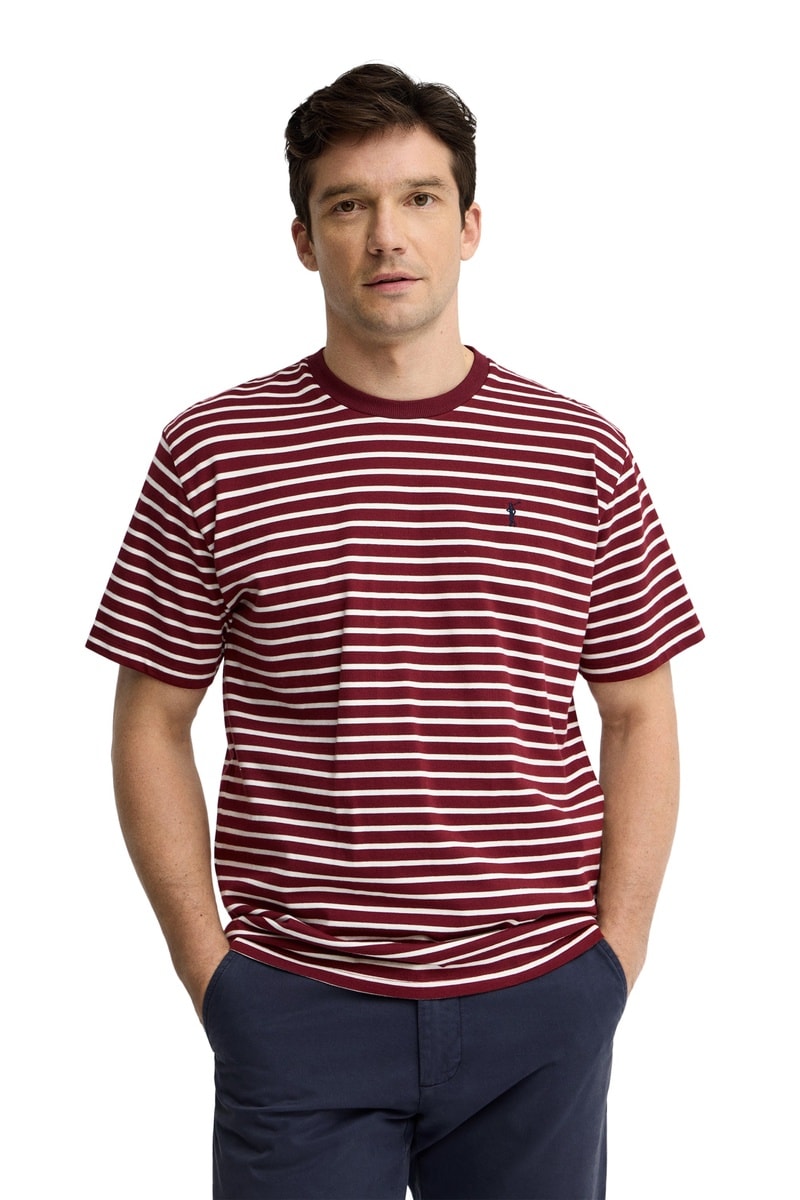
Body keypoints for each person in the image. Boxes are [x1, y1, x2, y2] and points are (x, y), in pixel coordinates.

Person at [87, 62, 704, 1200]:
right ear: (302, 239)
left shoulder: (580, 452)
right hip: (296, 1007)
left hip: (541, 1004)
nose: (386, 235)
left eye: (419, 197)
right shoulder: (212, 452)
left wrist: (614, 959)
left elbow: (636, 712)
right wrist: (211, 971)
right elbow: (151, 722)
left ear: (469, 227)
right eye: (348, 204)